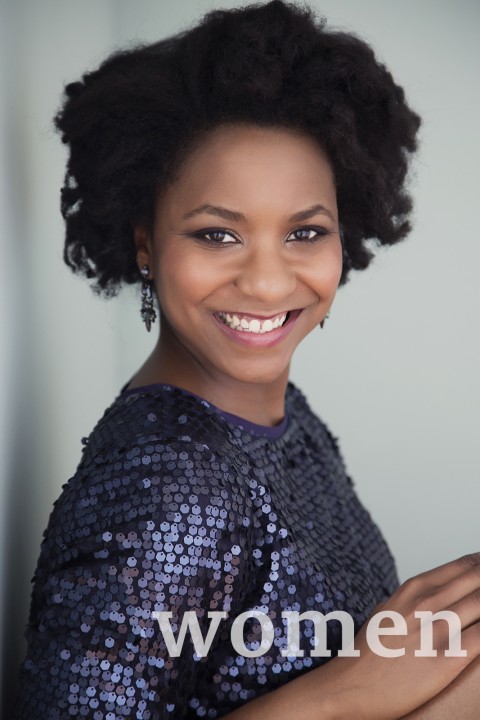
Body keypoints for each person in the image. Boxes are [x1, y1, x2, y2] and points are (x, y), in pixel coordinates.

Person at [12, 1, 480, 718]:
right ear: (145, 242)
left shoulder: (281, 417)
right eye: (217, 235)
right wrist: (354, 687)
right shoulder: (169, 484)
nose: (266, 283)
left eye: (305, 232)